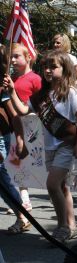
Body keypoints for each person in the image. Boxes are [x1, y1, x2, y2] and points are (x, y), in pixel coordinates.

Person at [4, 50, 77, 242]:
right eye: (46, 67)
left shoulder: (71, 92)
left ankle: (62, 226)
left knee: (52, 185)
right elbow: (24, 110)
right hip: (50, 146)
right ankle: (72, 226)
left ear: (64, 69)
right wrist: (12, 92)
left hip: (66, 144)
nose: (48, 70)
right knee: (62, 187)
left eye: (53, 67)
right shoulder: (41, 95)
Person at [0, 44, 31, 234]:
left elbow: (15, 115)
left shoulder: (2, 85)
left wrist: (20, 139)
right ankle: (22, 215)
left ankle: (22, 216)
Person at [9, 43, 42, 214]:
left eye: (17, 56)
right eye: (11, 57)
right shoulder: (12, 79)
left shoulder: (35, 79)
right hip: (14, 128)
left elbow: (41, 103)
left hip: (31, 130)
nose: (13, 60)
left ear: (28, 57)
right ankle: (24, 199)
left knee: (29, 165)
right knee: (17, 165)